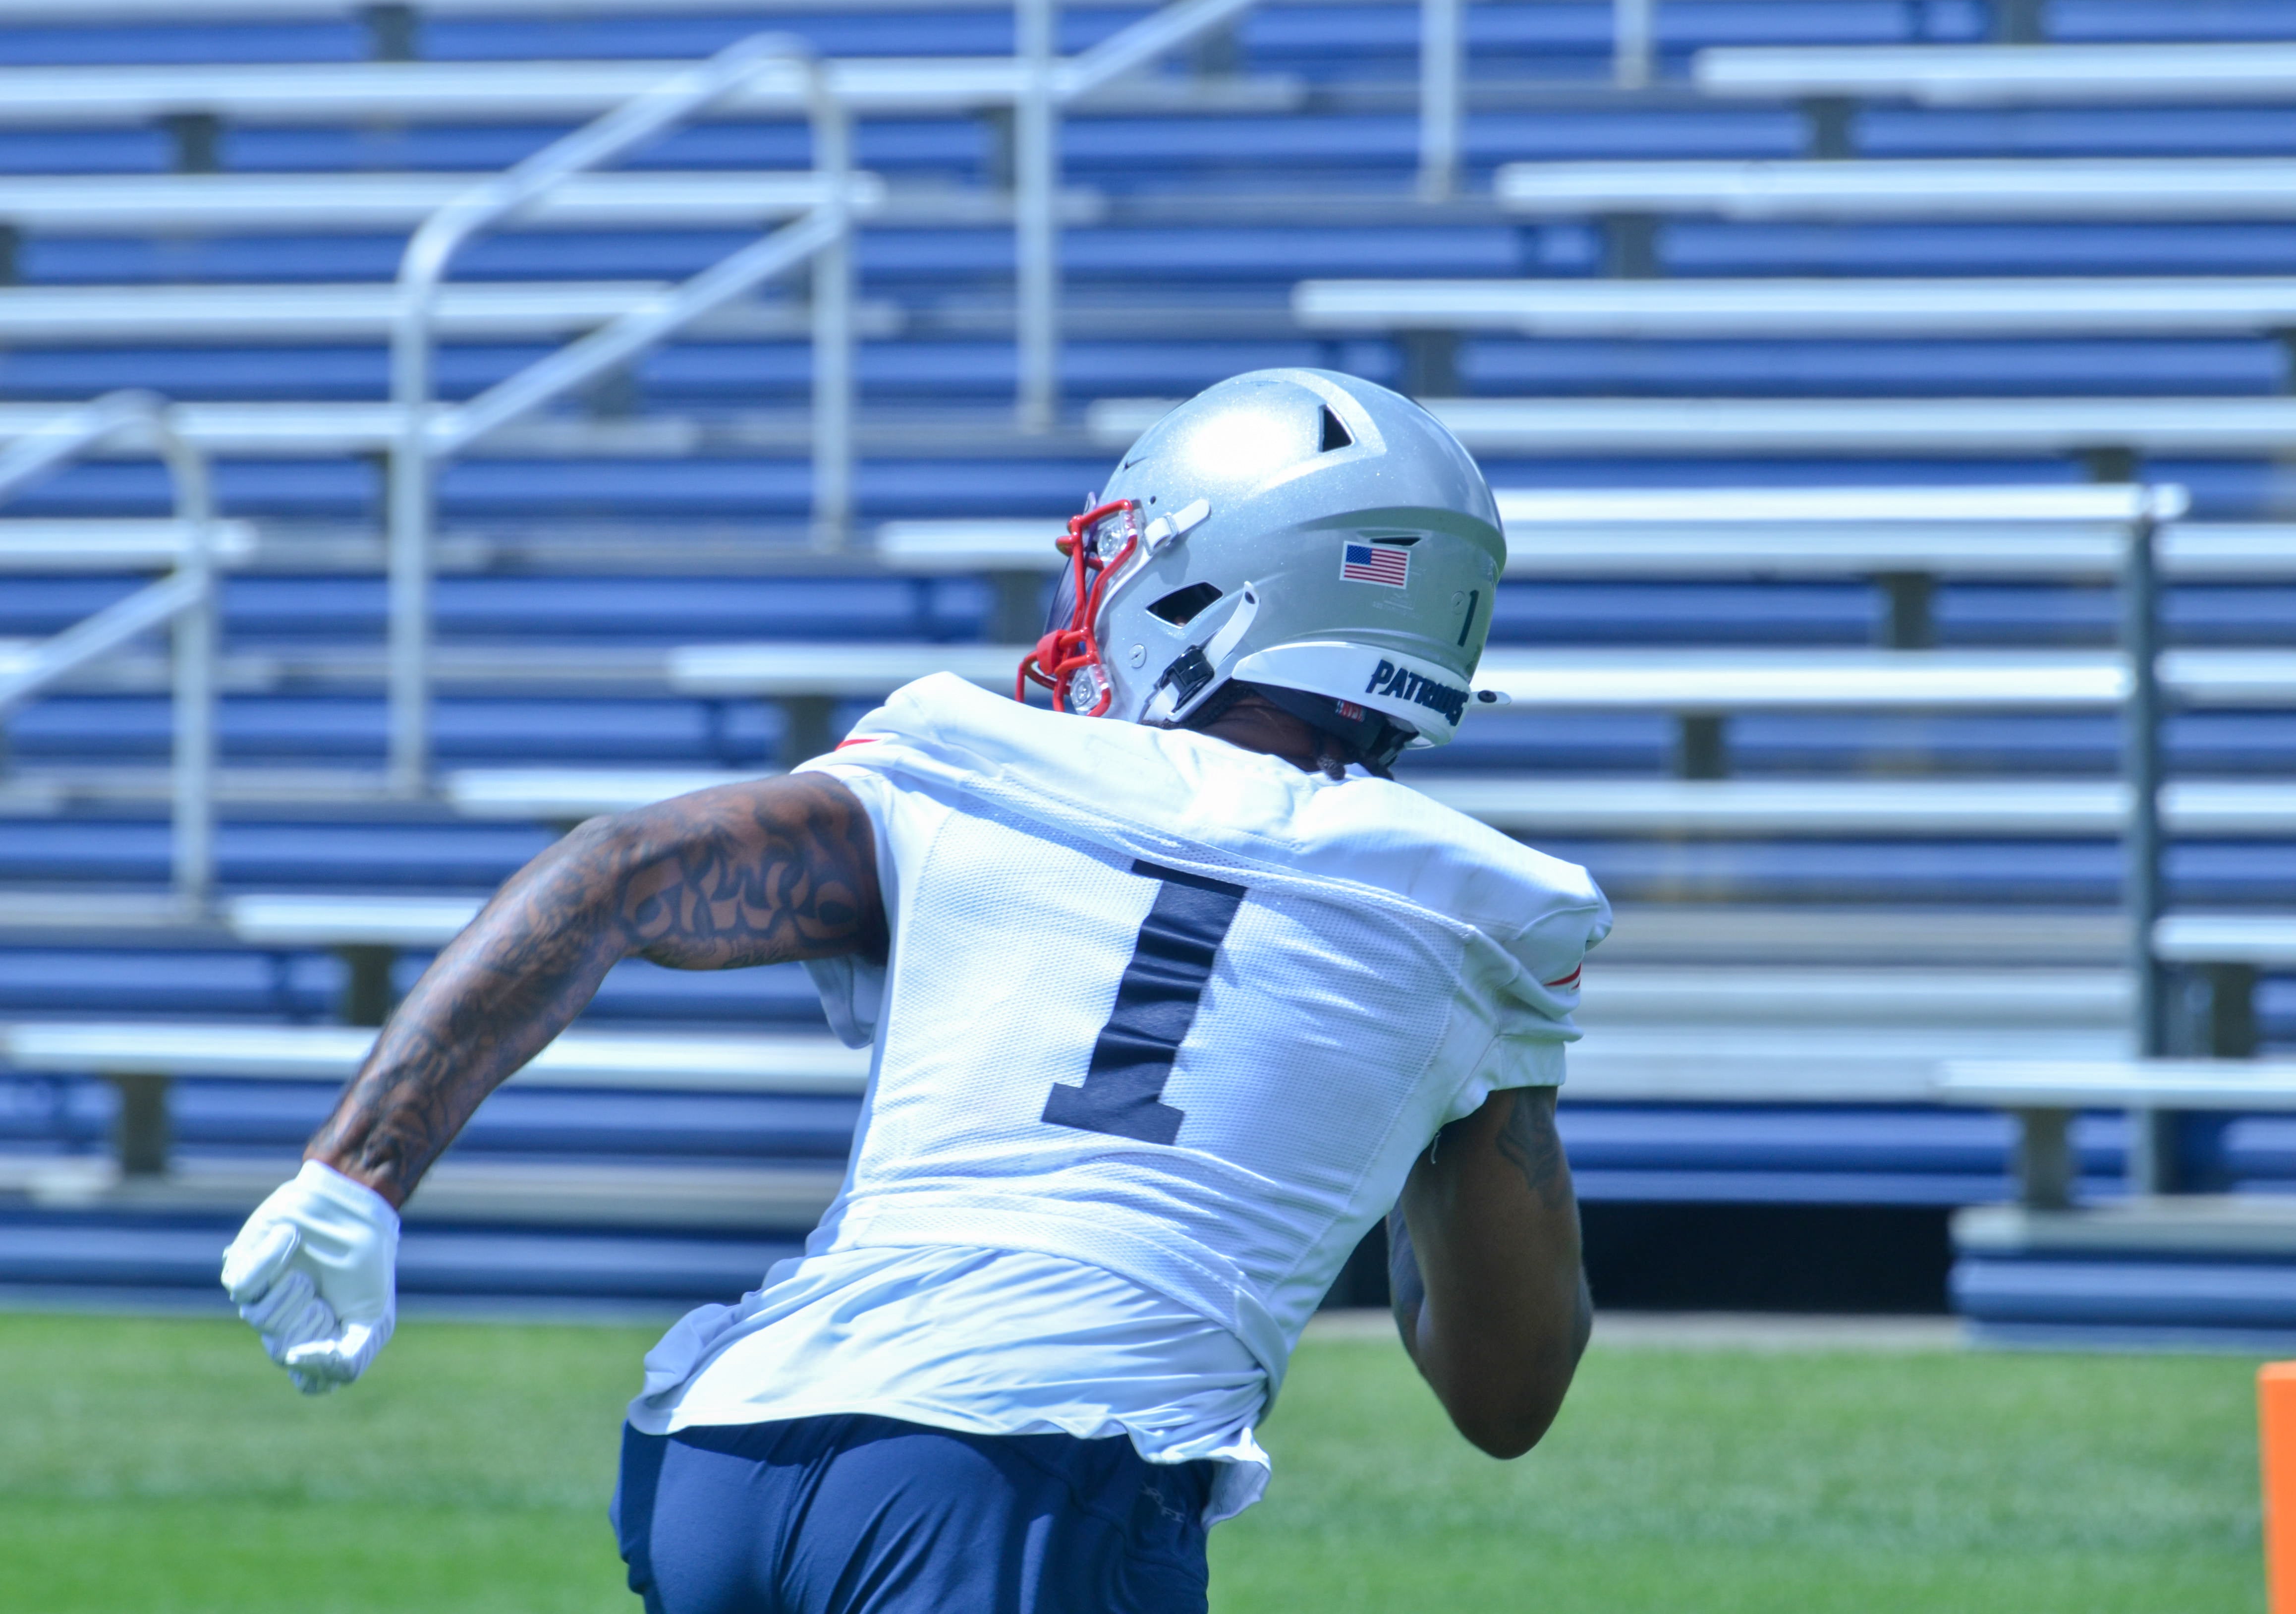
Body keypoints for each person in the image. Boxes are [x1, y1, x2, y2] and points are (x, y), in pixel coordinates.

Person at [219, 368, 1610, 1613]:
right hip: (1027, 1473)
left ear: (1215, 581)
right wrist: (1453, 1086)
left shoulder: (971, 763)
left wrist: (357, 1174)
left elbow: (620, 871)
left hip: (732, 1453)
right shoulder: (1475, 912)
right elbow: (1506, 1393)